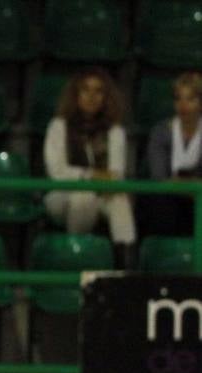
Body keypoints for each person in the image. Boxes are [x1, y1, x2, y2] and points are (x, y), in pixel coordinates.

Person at [43, 67, 135, 267]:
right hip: (62, 192)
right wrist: (90, 175)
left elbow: (116, 173)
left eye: (98, 91)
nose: (91, 97)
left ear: (106, 97)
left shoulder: (115, 130)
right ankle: (77, 255)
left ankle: (125, 261)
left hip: (102, 190)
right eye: (86, 90)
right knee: (83, 195)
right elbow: (57, 172)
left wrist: (104, 181)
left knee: (120, 198)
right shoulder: (59, 126)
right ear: (76, 94)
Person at [140, 72, 202, 238]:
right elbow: (159, 178)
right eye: (178, 99)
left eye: (190, 99)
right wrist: (192, 186)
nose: (183, 105)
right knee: (160, 202)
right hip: (168, 200)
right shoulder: (161, 132)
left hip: (198, 201)